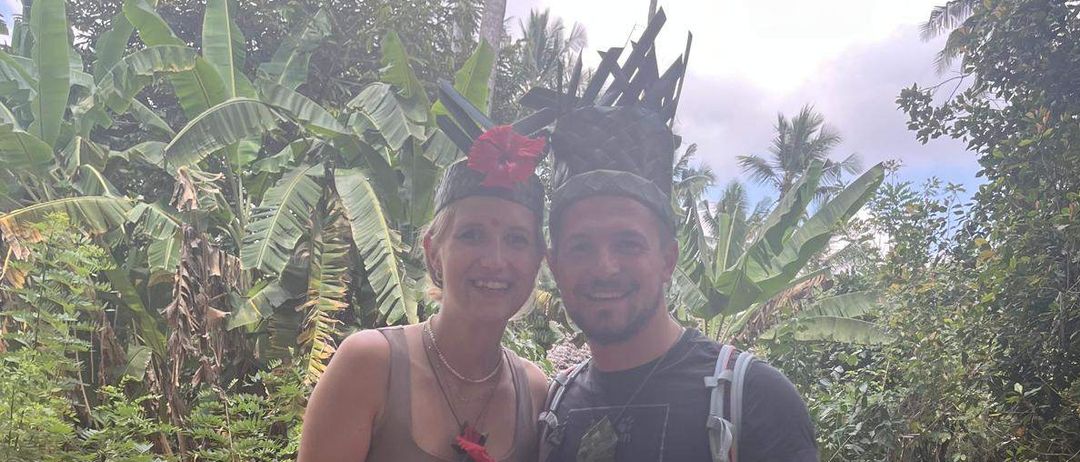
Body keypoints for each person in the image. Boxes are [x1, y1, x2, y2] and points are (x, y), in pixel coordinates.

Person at [533, 12, 819, 462]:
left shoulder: (751, 400)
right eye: (581, 247)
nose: (605, 267)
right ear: (553, 264)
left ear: (668, 258)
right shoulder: (554, 410)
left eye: (628, 244)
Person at [298, 122, 550, 462]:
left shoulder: (534, 394)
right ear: (433, 250)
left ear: (537, 261)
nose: (494, 260)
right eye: (472, 235)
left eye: (517, 239)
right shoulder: (371, 365)